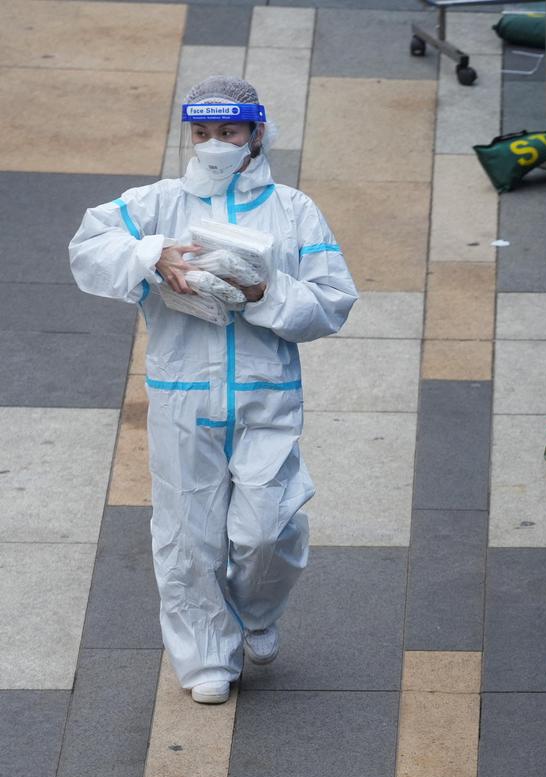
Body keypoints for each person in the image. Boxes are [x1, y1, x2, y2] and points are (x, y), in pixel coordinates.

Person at [68, 76, 358, 704]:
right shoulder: (160, 203)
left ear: (257, 133)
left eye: (229, 131)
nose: (216, 144)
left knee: (267, 529)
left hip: (266, 392)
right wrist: (153, 256)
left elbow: (332, 303)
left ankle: (255, 612)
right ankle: (206, 660)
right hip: (181, 393)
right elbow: (90, 247)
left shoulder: (293, 209)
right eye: (203, 132)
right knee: (187, 531)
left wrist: (261, 293)